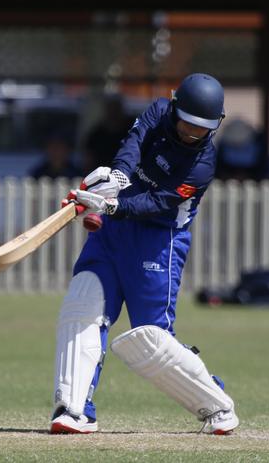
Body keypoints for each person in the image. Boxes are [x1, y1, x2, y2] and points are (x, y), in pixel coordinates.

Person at [49, 73, 239, 435]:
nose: (190, 134)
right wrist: (117, 178)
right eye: (185, 124)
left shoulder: (202, 166)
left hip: (160, 239)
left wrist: (111, 206)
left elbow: (158, 202)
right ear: (174, 109)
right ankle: (74, 410)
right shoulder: (157, 111)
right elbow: (134, 142)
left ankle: (217, 403)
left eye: (200, 130)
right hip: (113, 233)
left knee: (151, 339)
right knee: (83, 303)